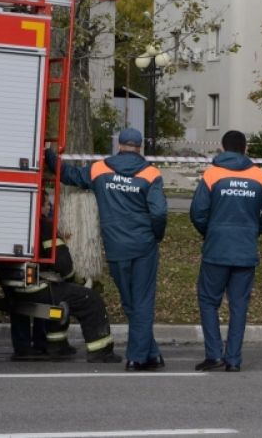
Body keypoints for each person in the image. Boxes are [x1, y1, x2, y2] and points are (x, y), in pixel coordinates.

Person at [45, 128, 167, 371]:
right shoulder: (151, 173)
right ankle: (137, 358)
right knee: (142, 302)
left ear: (119, 145)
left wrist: (48, 154)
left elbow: (68, 174)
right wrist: (157, 234)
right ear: (139, 147)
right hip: (143, 245)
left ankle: (151, 354)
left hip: (115, 246)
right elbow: (160, 211)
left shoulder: (100, 169)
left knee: (131, 302)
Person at [190, 131, 262, 372]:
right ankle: (233, 360)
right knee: (239, 305)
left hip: (216, 249)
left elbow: (198, 212)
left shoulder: (212, 175)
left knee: (209, 301)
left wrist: (210, 232)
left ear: (222, 147)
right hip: (245, 250)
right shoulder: (261, 176)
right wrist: (253, 231)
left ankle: (213, 354)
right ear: (246, 148)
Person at [2, 191, 121, 363]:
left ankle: (57, 346)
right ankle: (101, 351)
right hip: (39, 289)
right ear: (39, 207)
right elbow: (64, 265)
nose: (49, 207)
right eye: (47, 204)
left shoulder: (13, 227)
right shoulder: (45, 227)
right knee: (90, 299)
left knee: (61, 298)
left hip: (15, 289)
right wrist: (77, 282)